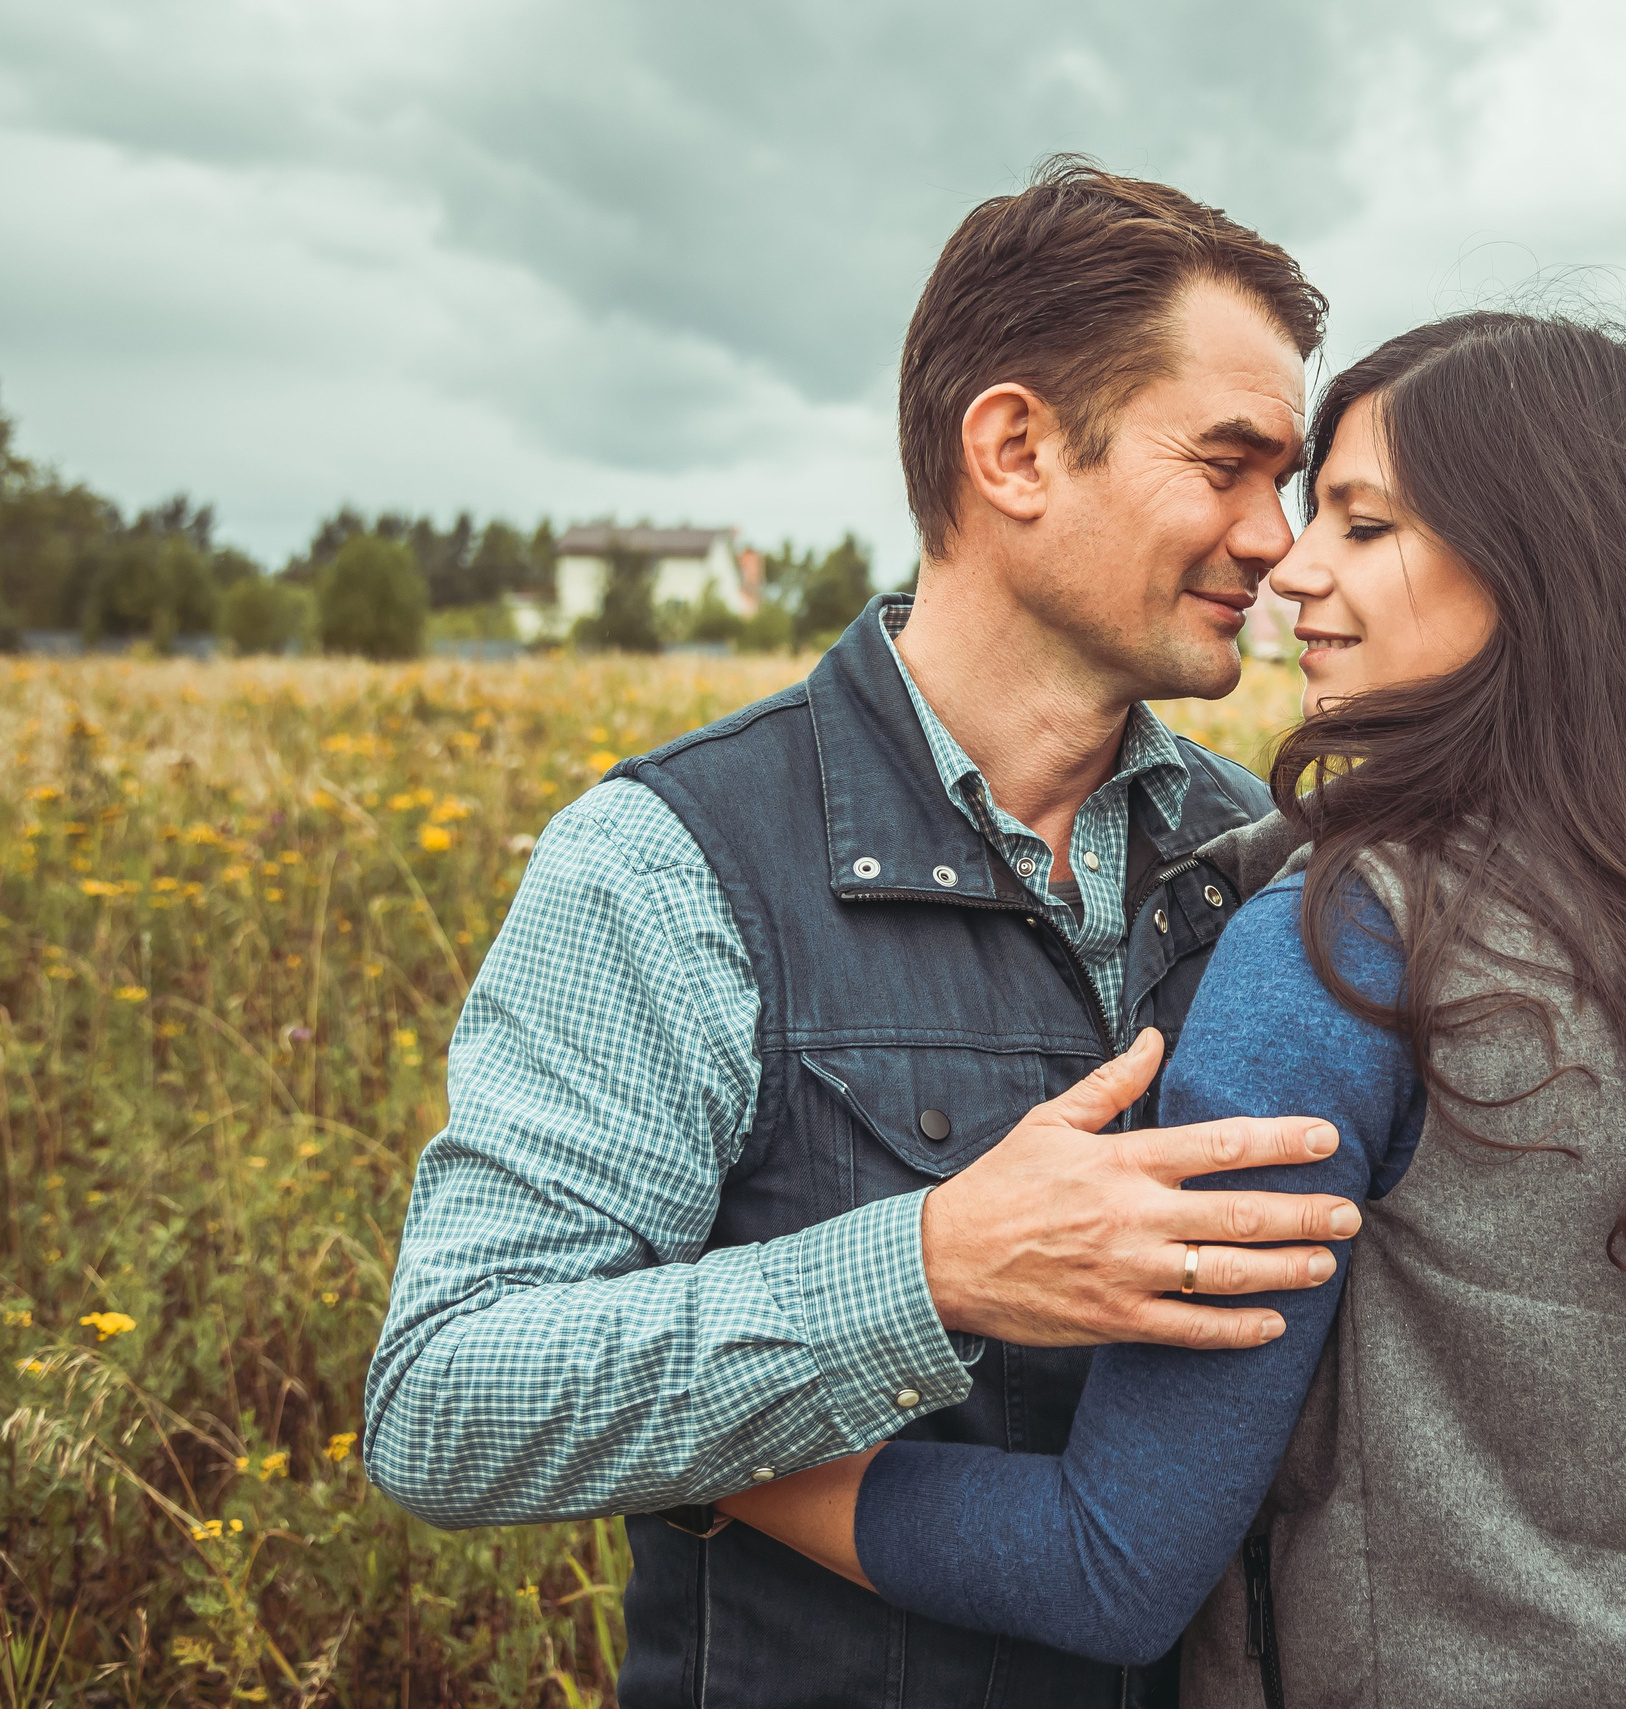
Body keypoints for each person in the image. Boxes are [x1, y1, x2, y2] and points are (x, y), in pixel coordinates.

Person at [716, 312, 1626, 1707]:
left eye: (1364, 525)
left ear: (1545, 565)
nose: (1290, 564)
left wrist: (721, 1464)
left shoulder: (1352, 942)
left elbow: (1112, 1561)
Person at [365, 161, 1360, 1708]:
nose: (1279, 542)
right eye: (1229, 465)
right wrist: (931, 1267)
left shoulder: (1273, 859)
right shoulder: (671, 865)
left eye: (1291, 481)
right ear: (1016, 449)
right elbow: (447, 1396)